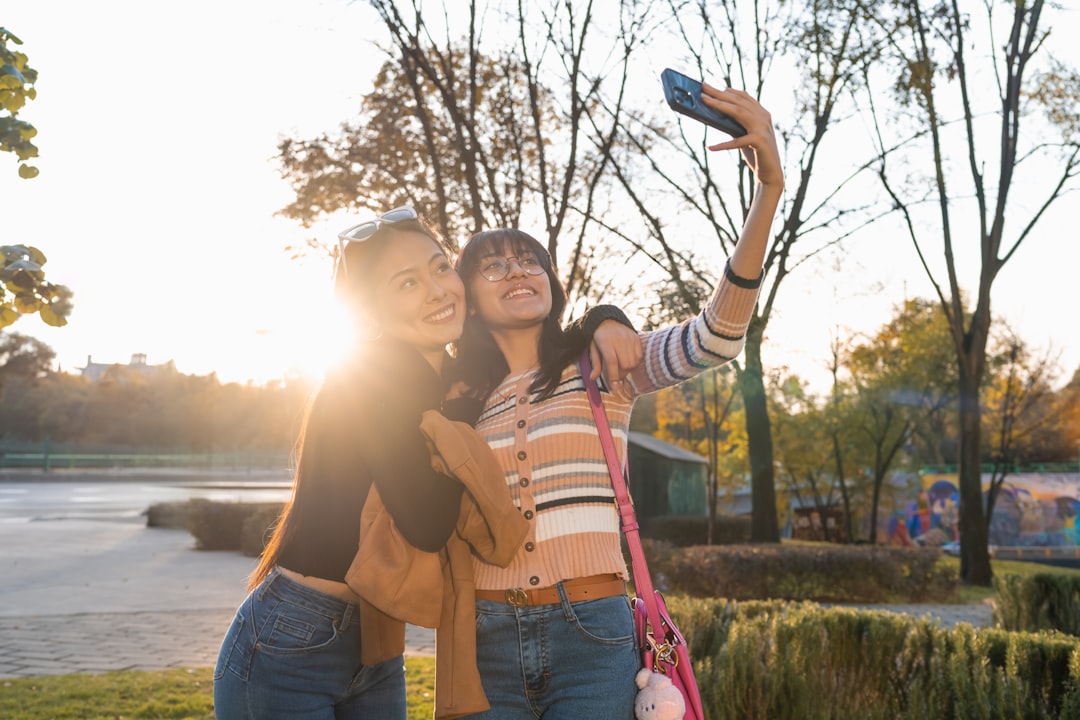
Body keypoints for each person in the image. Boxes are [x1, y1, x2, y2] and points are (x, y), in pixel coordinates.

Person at [212, 207, 640, 720]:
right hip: (293, 638)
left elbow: (537, 347)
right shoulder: (374, 376)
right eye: (407, 283)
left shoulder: (447, 380)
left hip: (374, 644)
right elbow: (429, 523)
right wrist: (458, 415)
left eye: (441, 269)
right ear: (368, 316)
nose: (437, 290)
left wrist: (603, 316)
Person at [446, 86, 784, 719]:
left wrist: (767, 193)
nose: (517, 271)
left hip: (594, 637)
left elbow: (717, 337)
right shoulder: (457, 399)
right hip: (483, 638)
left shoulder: (603, 369)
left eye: (529, 261)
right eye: (492, 267)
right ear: (465, 296)